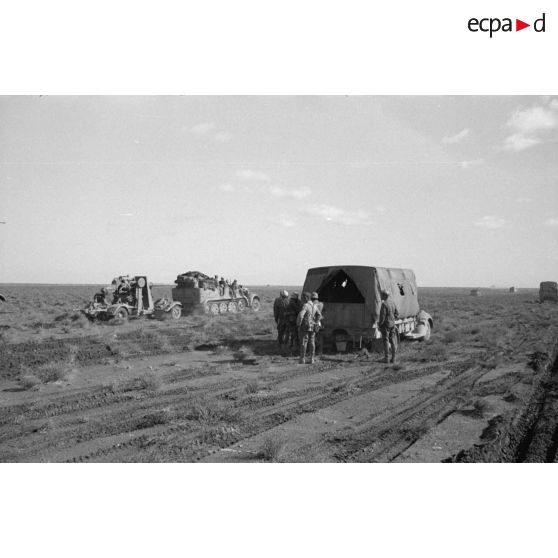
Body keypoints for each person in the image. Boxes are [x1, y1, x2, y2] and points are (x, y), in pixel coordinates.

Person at [296, 292, 323, 364]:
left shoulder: (306, 305)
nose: (301, 299)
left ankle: (302, 359)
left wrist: (298, 324)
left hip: (305, 326)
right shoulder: (314, 305)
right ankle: (312, 359)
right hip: (312, 326)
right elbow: (319, 315)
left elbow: (301, 315)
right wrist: (316, 322)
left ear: (306, 298)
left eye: (302, 297)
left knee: (304, 342)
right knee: (312, 341)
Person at [378, 289, 399, 364]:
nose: (380, 296)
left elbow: (382, 317)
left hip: (386, 326)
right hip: (392, 325)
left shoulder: (384, 304)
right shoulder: (392, 303)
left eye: (381, 295)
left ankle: (386, 358)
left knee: (386, 341)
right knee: (393, 341)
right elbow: (397, 314)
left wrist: (379, 324)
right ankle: (393, 358)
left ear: (385, 296)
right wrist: (392, 319)